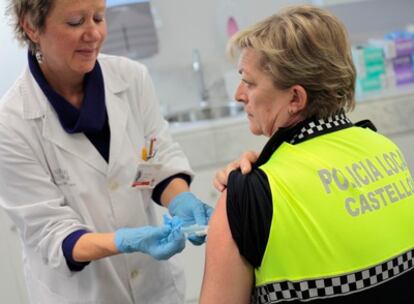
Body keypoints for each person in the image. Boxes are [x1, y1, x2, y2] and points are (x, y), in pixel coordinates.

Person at [0, 0, 212, 303]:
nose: (94, 33)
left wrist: (181, 199)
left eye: (99, 18)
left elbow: (156, 159)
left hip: (157, 289)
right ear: (31, 26)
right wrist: (125, 241)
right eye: (75, 22)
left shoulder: (132, 78)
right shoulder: (11, 122)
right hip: (82, 294)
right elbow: (51, 233)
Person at [200, 5, 414, 304]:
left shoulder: (249, 196)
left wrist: (246, 190)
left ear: (295, 98)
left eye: (249, 82)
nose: (238, 94)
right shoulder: (385, 150)